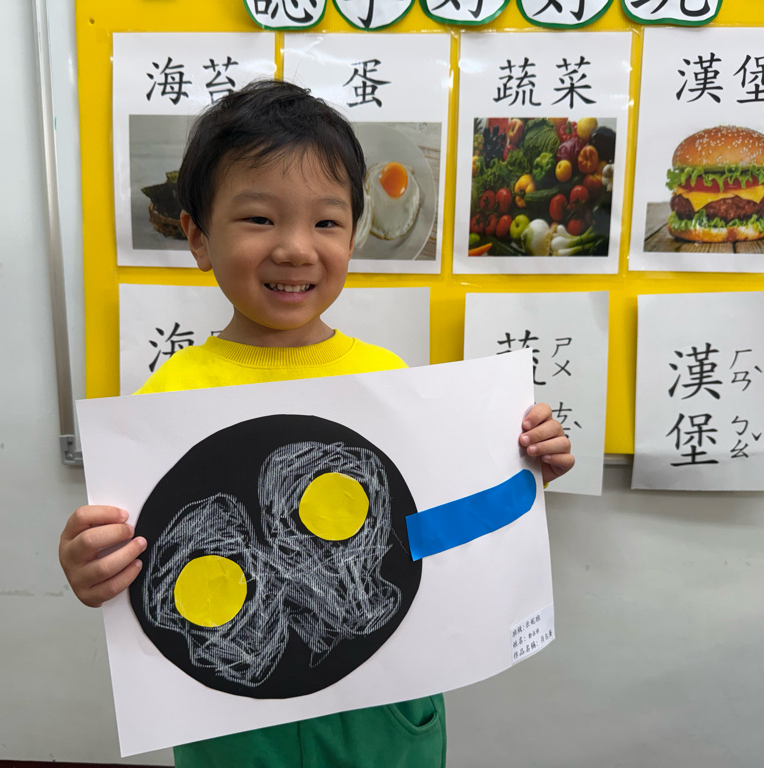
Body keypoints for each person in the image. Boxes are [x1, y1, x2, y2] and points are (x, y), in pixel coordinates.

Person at [59, 79, 574, 768]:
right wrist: (92, 563)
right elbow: (142, 562)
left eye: (326, 223)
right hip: (235, 727)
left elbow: (439, 527)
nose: (296, 248)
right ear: (198, 237)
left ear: (354, 235)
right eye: (259, 219)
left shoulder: (389, 381)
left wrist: (527, 463)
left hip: (382, 712)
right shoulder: (167, 398)